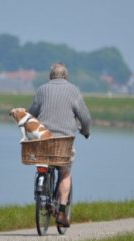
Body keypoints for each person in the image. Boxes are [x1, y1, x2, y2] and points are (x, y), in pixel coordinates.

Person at [29, 63, 91, 227]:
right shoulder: (73, 91)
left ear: (51, 76)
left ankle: (42, 190)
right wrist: (85, 131)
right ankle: (62, 212)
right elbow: (85, 118)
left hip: (43, 142)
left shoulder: (42, 90)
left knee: (43, 163)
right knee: (65, 173)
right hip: (64, 143)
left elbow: (31, 114)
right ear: (66, 76)